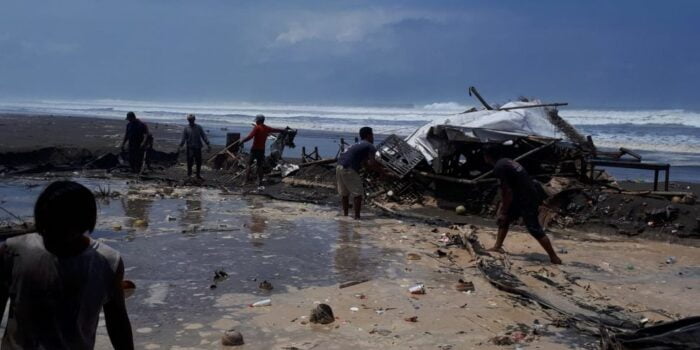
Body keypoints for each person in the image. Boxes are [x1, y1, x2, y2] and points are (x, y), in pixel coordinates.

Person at [0, 181, 134, 349]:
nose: (57, 233)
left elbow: (117, 320)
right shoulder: (14, 251)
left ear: (84, 222)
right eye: (51, 225)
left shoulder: (106, 262)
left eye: (65, 226)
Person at [482, 145, 562, 264]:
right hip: (521, 195)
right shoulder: (507, 161)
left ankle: (554, 257)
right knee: (505, 220)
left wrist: (503, 210)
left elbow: (506, 191)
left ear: (487, 157)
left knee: (533, 228)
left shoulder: (499, 167)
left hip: (526, 198)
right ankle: (497, 246)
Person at [336, 127, 386, 220]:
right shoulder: (370, 146)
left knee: (345, 194)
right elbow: (372, 163)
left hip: (339, 166)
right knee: (358, 194)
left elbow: (365, 164)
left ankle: (345, 215)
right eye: (372, 135)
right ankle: (357, 218)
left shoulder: (356, 145)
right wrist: (382, 172)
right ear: (369, 135)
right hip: (348, 168)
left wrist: (372, 169)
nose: (373, 137)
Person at [240, 114, 284, 186]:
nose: (256, 122)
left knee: (248, 165)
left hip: (254, 149)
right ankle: (259, 181)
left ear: (259, 121)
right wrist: (283, 130)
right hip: (261, 150)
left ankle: (245, 181)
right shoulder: (266, 128)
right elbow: (275, 130)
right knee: (259, 166)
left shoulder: (257, 128)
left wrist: (242, 141)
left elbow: (250, 137)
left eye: (256, 120)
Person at [178, 114, 211, 179]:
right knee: (189, 161)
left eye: (192, 120)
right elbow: (183, 138)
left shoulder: (199, 127)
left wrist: (208, 143)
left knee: (198, 161)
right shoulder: (186, 128)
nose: (191, 121)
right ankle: (189, 174)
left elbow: (204, 136)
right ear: (188, 120)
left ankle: (198, 175)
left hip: (198, 147)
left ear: (194, 120)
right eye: (190, 120)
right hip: (190, 148)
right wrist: (180, 146)